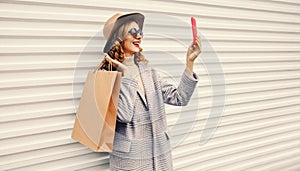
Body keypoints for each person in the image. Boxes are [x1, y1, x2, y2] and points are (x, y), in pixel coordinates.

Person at [100, 12, 201, 171]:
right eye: (133, 32)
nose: (138, 36)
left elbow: (180, 98)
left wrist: (189, 62)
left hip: (159, 157)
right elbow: (124, 115)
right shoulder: (107, 75)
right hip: (131, 161)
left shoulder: (148, 71)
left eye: (140, 32)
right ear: (117, 38)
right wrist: (125, 75)